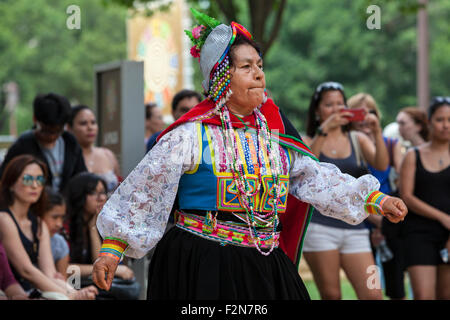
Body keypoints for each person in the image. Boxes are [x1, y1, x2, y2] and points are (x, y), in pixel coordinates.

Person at [91, 9, 407, 300]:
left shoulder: (275, 133)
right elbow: (146, 190)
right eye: (246, 67)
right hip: (202, 259)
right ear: (221, 78)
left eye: (259, 65)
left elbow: (313, 176)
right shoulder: (189, 135)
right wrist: (112, 247)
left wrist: (374, 199)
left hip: (264, 258)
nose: (258, 74)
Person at [301, 83, 390, 300]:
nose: (336, 109)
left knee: (374, 293)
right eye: (329, 105)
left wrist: (377, 131)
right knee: (331, 295)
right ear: (317, 110)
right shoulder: (306, 140)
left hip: (357, 229)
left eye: (340, 104)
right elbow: (307, 167)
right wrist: (325, 129)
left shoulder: (357, 139)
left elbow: (381, 163)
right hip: (319, 228)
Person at [0, 155, 97, 299]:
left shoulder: (39, 224)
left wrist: (74, 292)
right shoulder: (4, 219)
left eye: (39, 180)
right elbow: (26, 270)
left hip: (37, 290)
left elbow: (50, 273)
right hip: (13, 293)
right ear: (12, 183)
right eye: (28, 179)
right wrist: (71, 295)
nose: (35, 185)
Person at [348, 93, 406, 300]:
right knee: (371, 283)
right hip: (362, 222)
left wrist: (385, 221)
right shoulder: (349, 145)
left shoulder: (390, 144)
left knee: (396, 283)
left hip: (389, 219)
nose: (364, 118)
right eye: (358, 113)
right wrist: (374, 220)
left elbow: (401, 178)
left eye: (369, 112)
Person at [399, 97, 450, 300]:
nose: (446, 125)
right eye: (440, 119)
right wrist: (442, 217)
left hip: (449, 234)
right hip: (419, 233)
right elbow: (407, 196)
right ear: (429, 122)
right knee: (423, 295)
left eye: (449, 119)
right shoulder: (413, 155)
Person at [65, 172, 138, 299]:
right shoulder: (65, 225)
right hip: (68, 283)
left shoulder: (101, 223)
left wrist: (92, 228)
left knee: (130, 287)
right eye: (94, 193)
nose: (101, 198)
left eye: (103, 192)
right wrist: (118, 270)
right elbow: (66, 269)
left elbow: (99, 264)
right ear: (79, 195)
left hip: (89, 281)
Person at [0, 93, 87, 193]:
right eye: (47, 131)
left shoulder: (70, 142)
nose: (52, 136)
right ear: (35, 120)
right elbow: (5, 179)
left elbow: (81, 177)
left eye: (57, 131)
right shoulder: (23, 145)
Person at [68, 105, 121, 194]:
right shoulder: (67, 158)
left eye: (93, 122)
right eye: (83, 123)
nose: (90, 128)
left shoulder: (108, 154)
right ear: (69, 128)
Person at [41, 187, 69, 278]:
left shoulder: (60, 243)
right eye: (54, 217)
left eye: (62, 218)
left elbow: (62, 279)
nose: (59, 224)